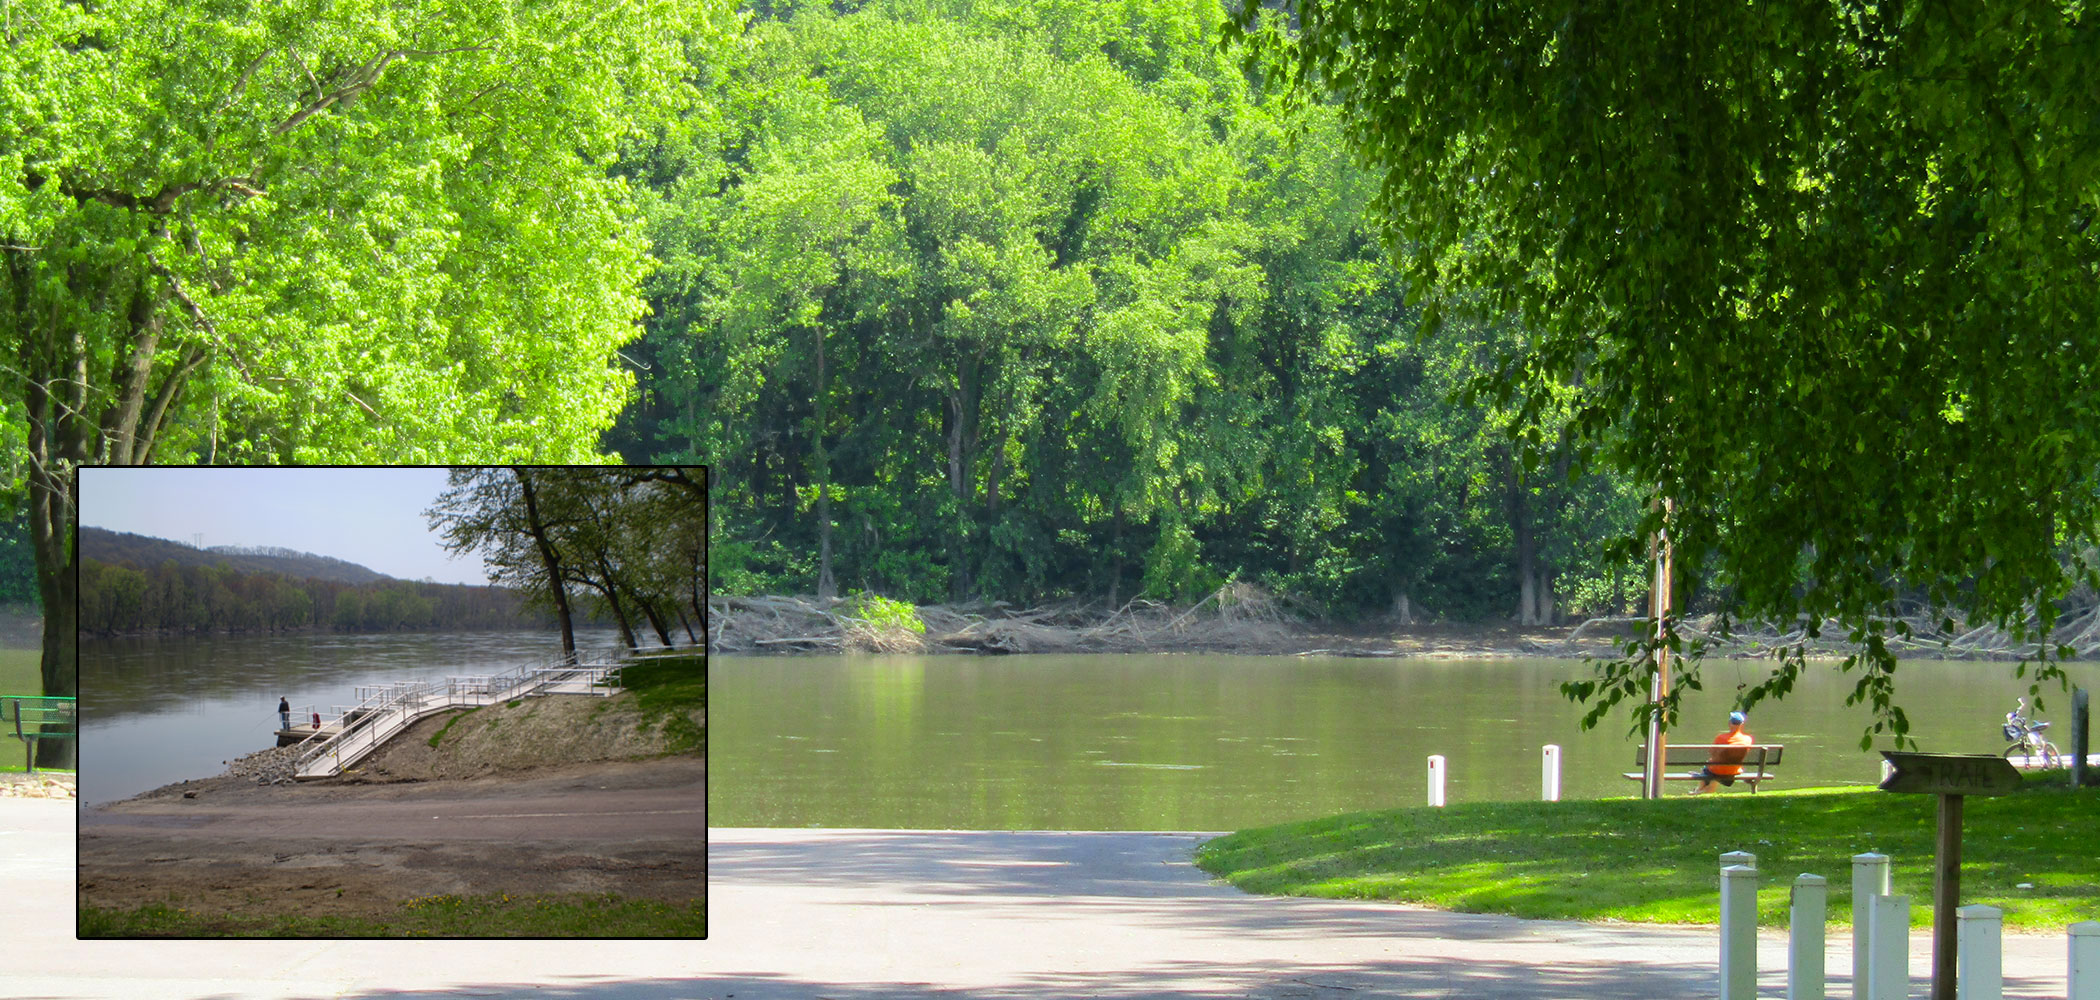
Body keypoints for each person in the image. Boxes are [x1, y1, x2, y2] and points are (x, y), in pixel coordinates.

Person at [1690, 711, 1754, 794]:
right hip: (1734, 770)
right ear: (1741, 725)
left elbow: (1712, 752)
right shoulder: (1748, 739)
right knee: (1714, 770)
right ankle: (1699, 791)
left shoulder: (1721, 738)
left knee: (1710, 767)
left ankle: (1698, 791)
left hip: (1717, 770)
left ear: (1729, 723)